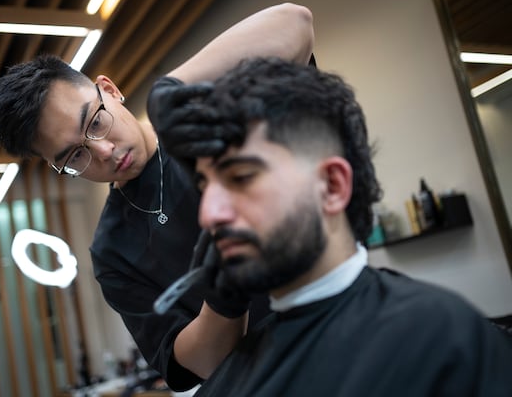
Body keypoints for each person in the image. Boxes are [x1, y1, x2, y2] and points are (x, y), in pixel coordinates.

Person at [0, 3, 315, 391]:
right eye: (75, 156)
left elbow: (296, 22)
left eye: (95, 121)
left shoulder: (201, 113)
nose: (103, 151)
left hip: (342, 323)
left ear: (109, 90)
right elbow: (187, 365)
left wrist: (168, 92)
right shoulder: (112, 251)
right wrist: (224, 299)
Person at [157, 57, 512, 396]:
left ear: (332, 186)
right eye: (205, 187)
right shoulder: (230, 378)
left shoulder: (444, 341)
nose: (209, 215)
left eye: (241, 176)